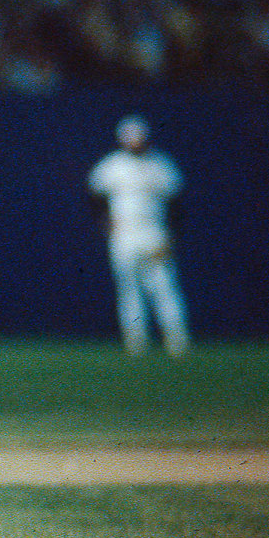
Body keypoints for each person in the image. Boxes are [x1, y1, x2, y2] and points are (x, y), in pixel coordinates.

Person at [88, 114, 190, 357]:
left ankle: (177, 338)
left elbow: (176, 201)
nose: (135, 143)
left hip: (154, 231)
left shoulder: (160, 164)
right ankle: (136, 340)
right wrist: (105, 222)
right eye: (130, 138)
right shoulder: (113, 165)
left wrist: (171, 235)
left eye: (138, 138)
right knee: (128, 288)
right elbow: (94, 193)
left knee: (163, 286)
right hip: (125, 233)